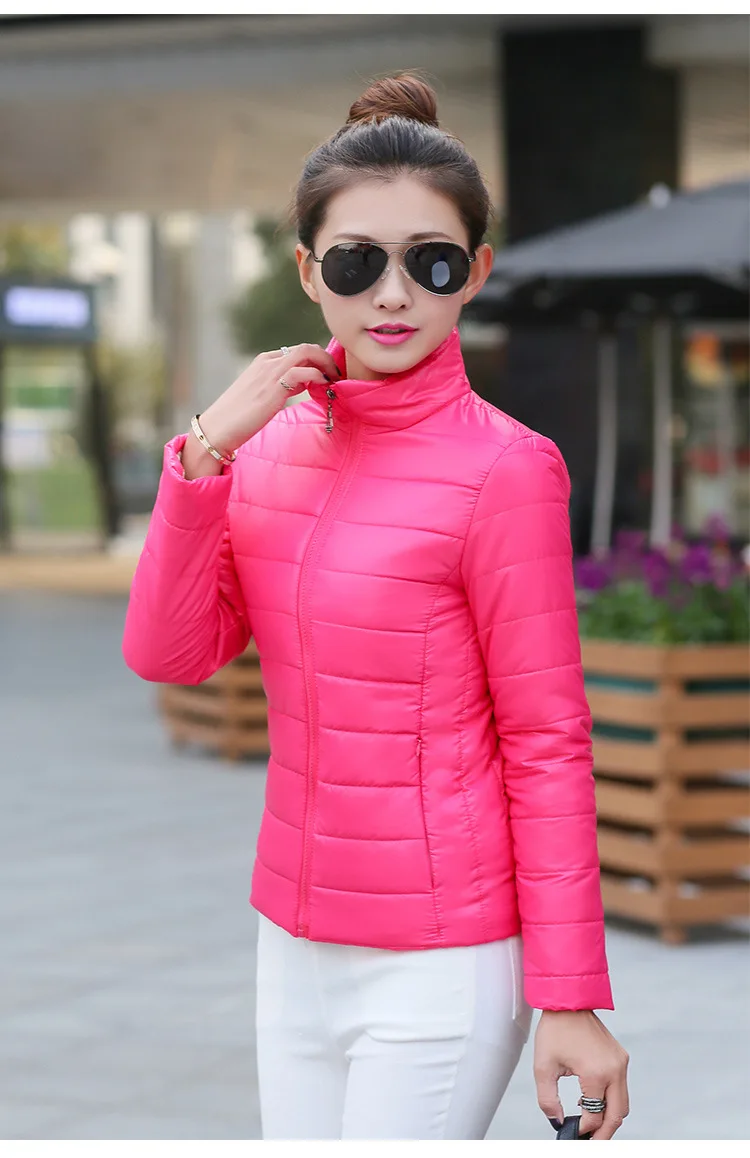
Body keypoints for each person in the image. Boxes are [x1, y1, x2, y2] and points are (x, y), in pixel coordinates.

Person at [123, 73, 630, 1141]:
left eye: (430, 262)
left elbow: (546, 739)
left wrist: (571, 996)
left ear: (475, 272)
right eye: (358, 262)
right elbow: (170, 654)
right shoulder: (260, 450)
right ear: (309, 271)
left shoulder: (507, 469)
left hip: (446, 954)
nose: (393, 294)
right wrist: (203, 453)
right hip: (293, 941)